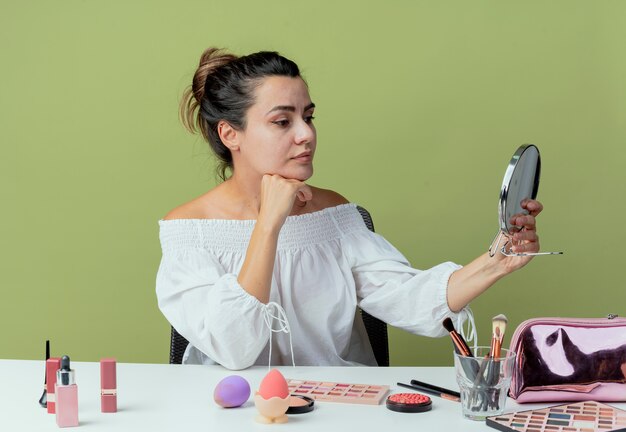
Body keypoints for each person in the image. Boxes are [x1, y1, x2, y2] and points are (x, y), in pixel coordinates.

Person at [155, 48, 543, 370]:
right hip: (232, 412)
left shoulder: (334, 214)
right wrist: (269, 224)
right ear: (230, 134)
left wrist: (498, 259)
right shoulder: (191, 229)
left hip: (336, 407)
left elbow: (411, 299)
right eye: (282, 121)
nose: (305, 134)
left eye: (308, 116)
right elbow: (235, 348)